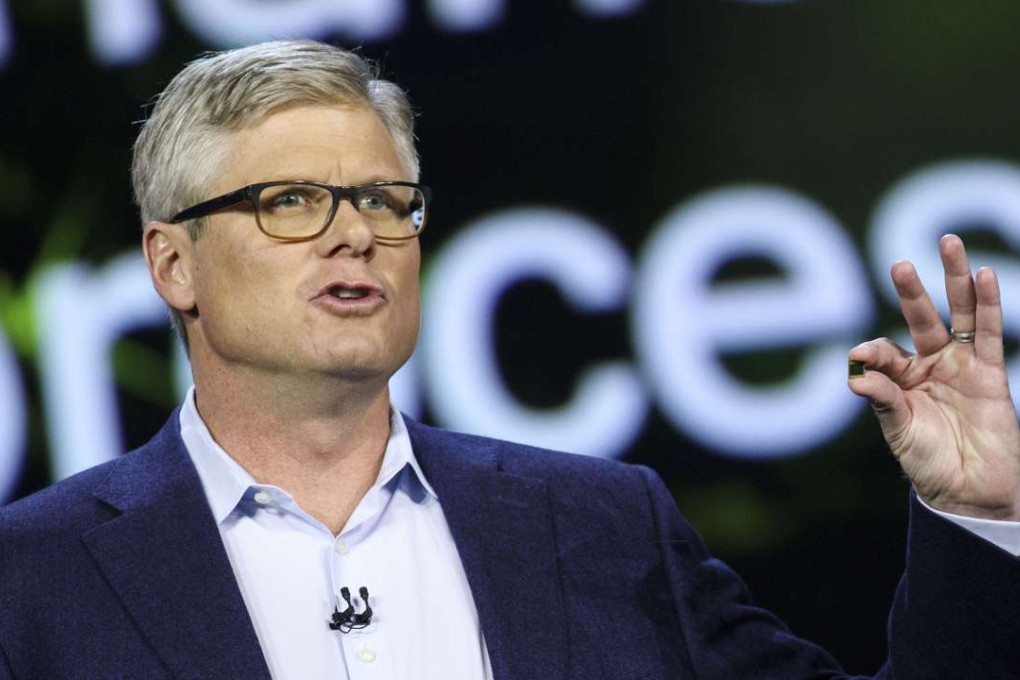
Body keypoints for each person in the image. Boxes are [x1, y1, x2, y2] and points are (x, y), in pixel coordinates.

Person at [1, 39, 1018, 679]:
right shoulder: (33, 577)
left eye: (384, 200)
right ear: (173, 263)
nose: (354, 234)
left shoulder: (606, 525)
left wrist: (975, 514)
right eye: (291, 201)